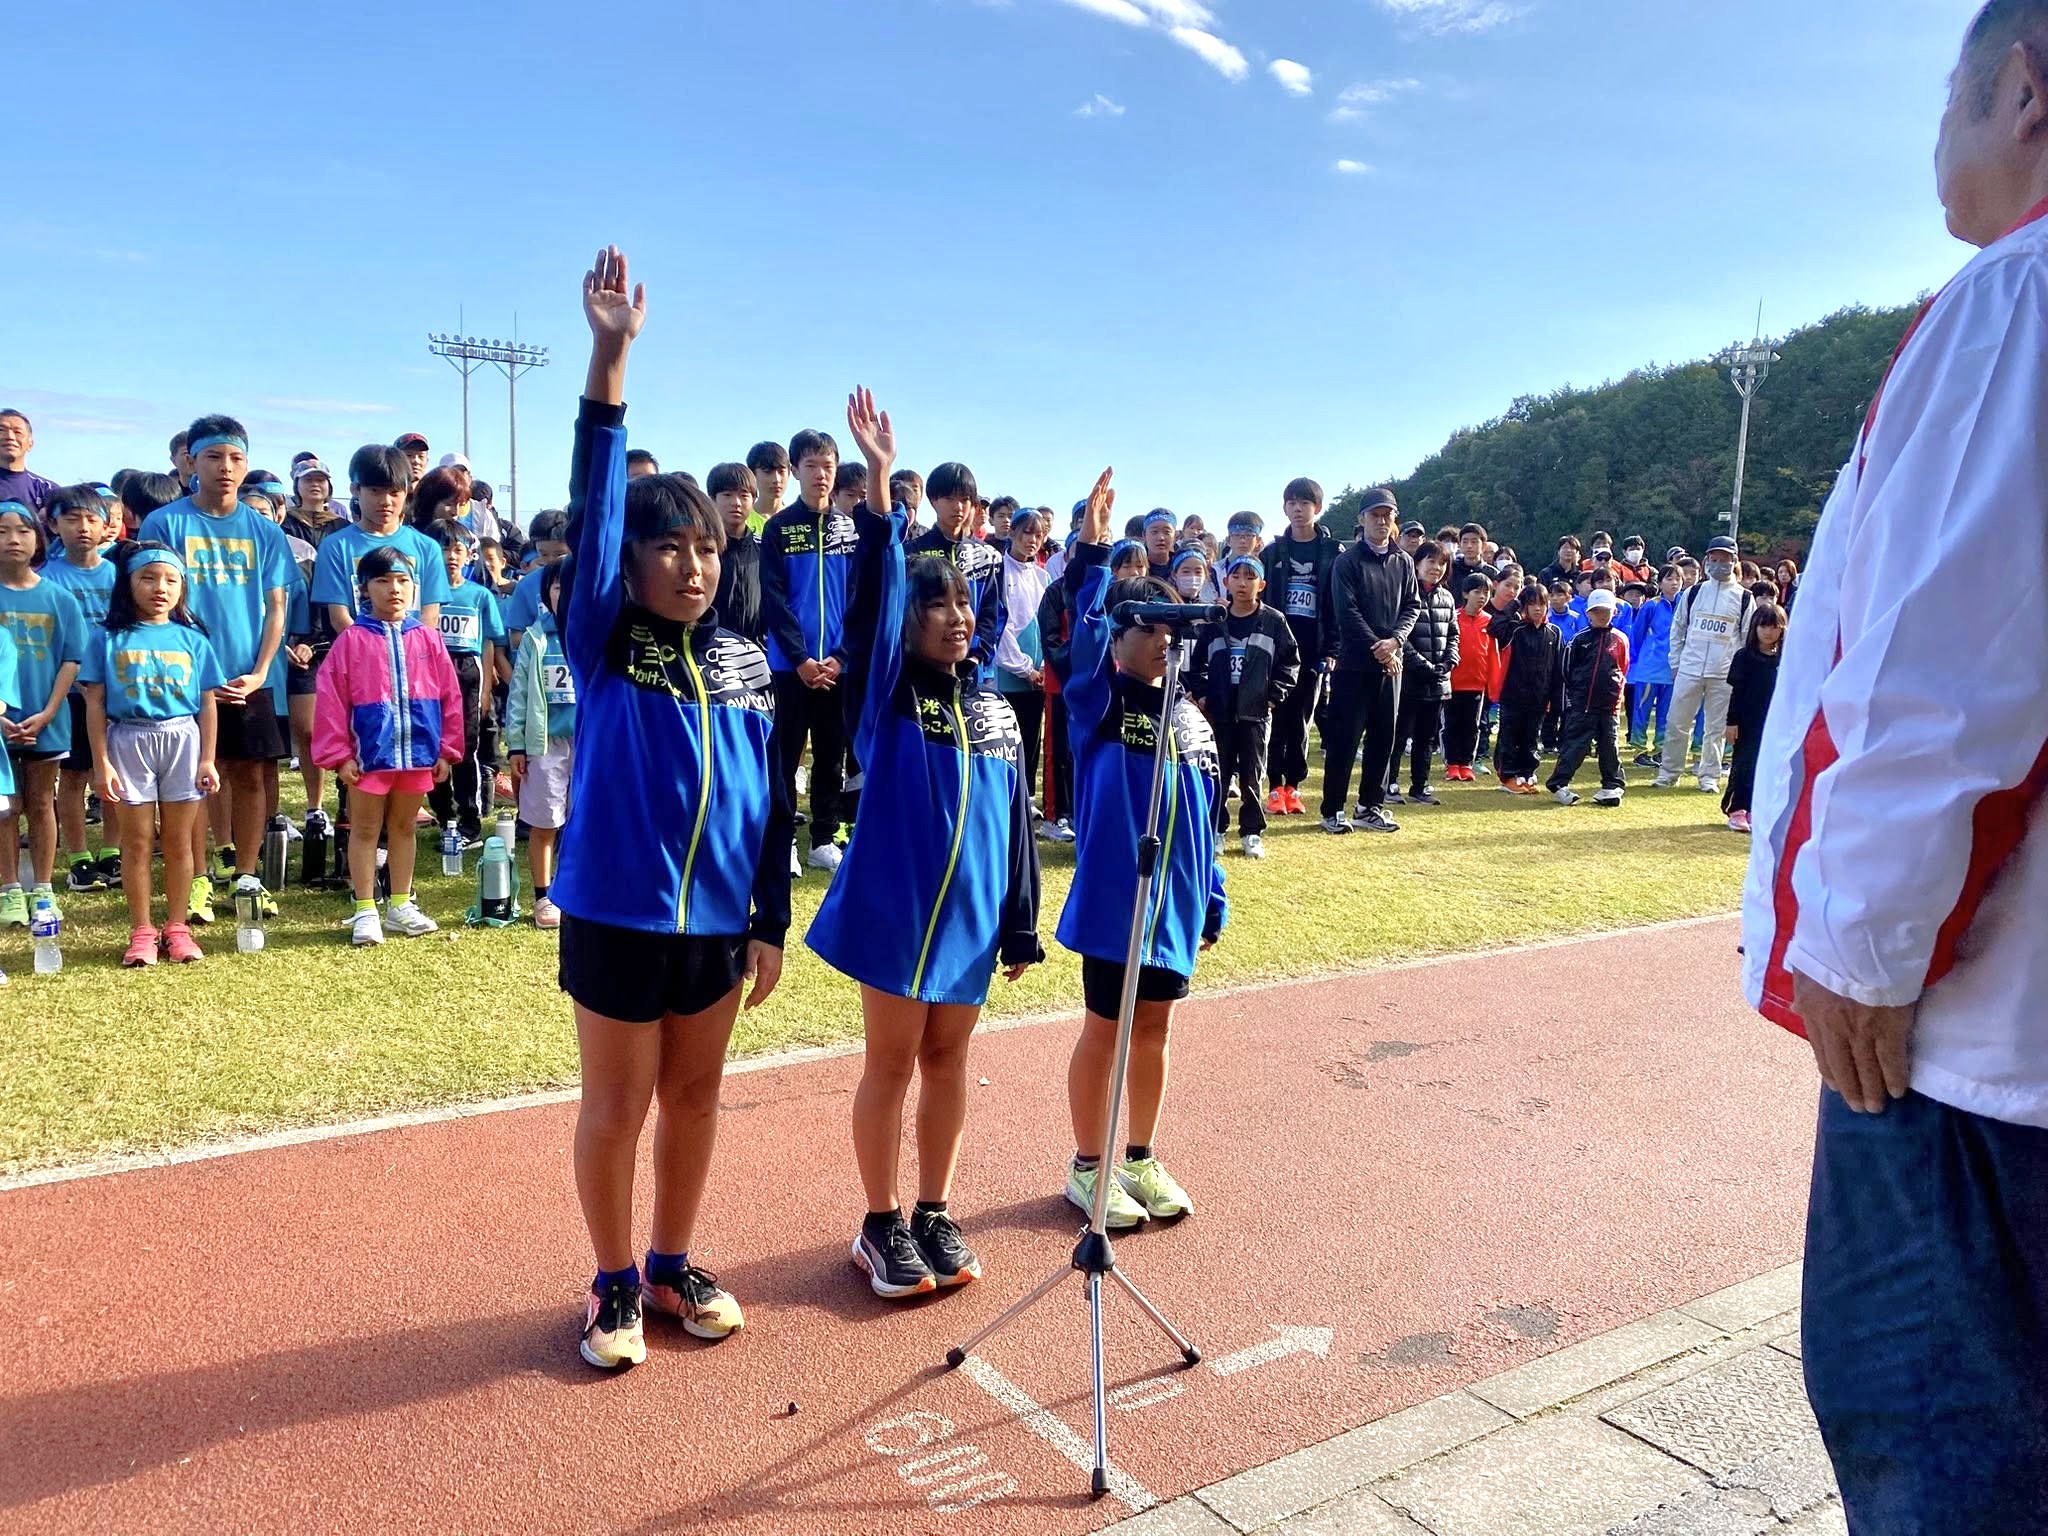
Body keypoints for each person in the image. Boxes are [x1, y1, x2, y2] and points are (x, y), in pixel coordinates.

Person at [1744, 13, 2048, 1522]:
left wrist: (1854, 948)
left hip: (1975, 1048)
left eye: (1947, 98)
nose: (1937, 136)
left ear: (2022, 90)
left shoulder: (2015, 298)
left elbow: (1949, 668)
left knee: (1933, 1448)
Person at [549, 248, 789, 1369]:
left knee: (696, 1099)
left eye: (706, 549)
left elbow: (769, 804)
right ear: (631, 561)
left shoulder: (744, 660)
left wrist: (768, 917)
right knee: (619, 1103)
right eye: (669, 549)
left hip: (719, 924)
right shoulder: (604, 637)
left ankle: (669, 1262)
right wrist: (610, 362)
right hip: (617, 912)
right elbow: (596, 505)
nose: (692, 568)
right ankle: (609, 1285)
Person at [808, 389, 1043, 1298]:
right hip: (897, 917)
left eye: (963, 604)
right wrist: (878, 485)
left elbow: (1014, 827)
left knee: (950, 1062)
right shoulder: (887, 697)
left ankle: (935, 1210)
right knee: (893, 1063)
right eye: (935, 605)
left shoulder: (994, 712)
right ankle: (880, 1222)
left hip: (972, 923)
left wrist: (1019, 921)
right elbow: (872, 600)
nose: (954, 616)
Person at [1056, 468, 1224, 1228]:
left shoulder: (1191, 719)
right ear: (1118, 639)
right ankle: (1088, 1166)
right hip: (1117, 904)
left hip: (1176, 907)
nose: (1162, 642)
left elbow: (1204, 819)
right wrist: (1094, 552)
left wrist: (1212, 898)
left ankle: (1141, 1157)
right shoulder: (1098, 702)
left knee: (1154, 1031)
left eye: (1170, 631)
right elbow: (1087, 632)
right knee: (1106, 1030)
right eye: (1146, 629)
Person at [139, 416, 297, 925]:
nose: (225, 467)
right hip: (182, 680)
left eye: (235, 458)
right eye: (213, 456)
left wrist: (261, 671)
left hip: (248, 677)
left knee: (249, 775)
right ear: (191, 462)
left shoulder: (265, 531)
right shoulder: (164, 524)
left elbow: (277, 607)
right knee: (193, 780)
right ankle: (200, 877)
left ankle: (247, 875)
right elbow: (154, 600)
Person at [81, 543, 224, 965]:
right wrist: (101, 762)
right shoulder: (108, 638)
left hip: (182, 739)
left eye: (171, 580)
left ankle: (177, 927)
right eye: (148, 578)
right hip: (129, 739)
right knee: (138, 842)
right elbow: (94, 703)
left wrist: (207, 758)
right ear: (128, 584)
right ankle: (142, 930)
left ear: (182, 588)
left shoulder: (192, 639)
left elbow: (208, 703)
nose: (160, 588)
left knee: (180, 842)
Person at [313, 546, 462, 946]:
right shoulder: (351, 641)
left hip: (418, 755)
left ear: (414, 587)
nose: (394, 589)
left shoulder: (428, 639)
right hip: (369, 758)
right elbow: (330, 702)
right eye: (382, 580)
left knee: (404, 827)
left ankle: (400, 904)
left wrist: (447, 749)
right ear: (364, 589)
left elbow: (450, 696)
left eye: (402, 580)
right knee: (364, 829)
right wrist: (340, 756)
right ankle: (365, 908)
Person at [761, 426, 858, 873]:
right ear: (796, 470)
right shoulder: (779, 528)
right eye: (812, 465)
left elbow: (860, 600)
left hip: (838, 668)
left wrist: (840, 656)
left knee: (832, 755)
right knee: (785, 757)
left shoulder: (850, 531)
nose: (821, 474)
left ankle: (823, 839)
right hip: (789, 668)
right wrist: (799, 658)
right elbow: (773, 599)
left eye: (828, 466)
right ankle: (783, 841)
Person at [0, 500, 86, 927]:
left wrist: (50, 711)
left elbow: (72, 659)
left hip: (46, 719)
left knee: (40, 802)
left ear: (38, 538)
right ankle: (9, 888)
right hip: (1, 723)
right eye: (2, 531)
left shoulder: (59, 598)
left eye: (22, 530)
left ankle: (44, 887)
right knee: (4, 807)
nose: (12, 540)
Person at [1319, 488, 1419, 835]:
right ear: (1361, 519)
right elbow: (1346, 612)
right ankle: (1333, 809)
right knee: (1345, 741)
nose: (1381, 521)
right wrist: (1379, 647)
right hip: (1353, 665)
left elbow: (1412, 606)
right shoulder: (1347, 562)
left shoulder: (1403, 561)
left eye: (1387, 515)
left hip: (1391, 666)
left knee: (1383, 739)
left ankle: (1369, 806)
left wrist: (1395, 642)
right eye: (1375, 515)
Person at [38, 486, 120, 893]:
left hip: (116, 691)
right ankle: (78, 858)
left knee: (114, 775)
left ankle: (112, 852)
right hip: (69, 694)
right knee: (72, 778)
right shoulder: (46, 578)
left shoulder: (120, 575)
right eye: (72, 519)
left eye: (91, 519)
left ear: (107, 525)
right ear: (54, 525)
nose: (83, 527)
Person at [1192, 555, 1299, 859]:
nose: (1242, 583)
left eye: (1250, 577)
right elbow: (1197, 665)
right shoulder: (1215, 621)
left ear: (1261, 584)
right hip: (1221, 712)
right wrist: (1204, 695)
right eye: (1236, 576)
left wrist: (1272, 696)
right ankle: (1216, 829)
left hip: (1256, 713)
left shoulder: (1274, 621)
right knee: (1219, 774)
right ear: (1226, 582)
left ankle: (1251, 831)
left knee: (1252, 775)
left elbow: (1290, 663)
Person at [1260, 477, 1341, 816]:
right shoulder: (1272, 553)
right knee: (1275, 718)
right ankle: (1274, 787)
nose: (1297, 509)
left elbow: (1339, 604)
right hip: (1276, 649)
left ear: (1317, 508)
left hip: (1313, 648)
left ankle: (1293, 787)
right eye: (1291, 502)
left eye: (1304, 503)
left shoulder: (1333, 553)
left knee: (1301, 721)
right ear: (1284, 508)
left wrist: (1333, 649)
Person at [506, 562, 575, 928]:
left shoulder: (595, 635)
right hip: (544, 744)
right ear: (547, 593)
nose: (566, 593)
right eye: (559, 587)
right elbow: (518, 695)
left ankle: (576, 892)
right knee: (545, 822)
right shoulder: (536, 639)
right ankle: (543, 896)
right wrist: (517, 746)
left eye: (574, 585)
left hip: (587, 744)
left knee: (582, 823)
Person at [425, 522, 503, 845]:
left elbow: (488, 643)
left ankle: (470, 821)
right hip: (430, 673)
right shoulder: (424, 594)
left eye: (457, 549)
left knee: (465, 747)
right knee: (433, 745)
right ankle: (445, 815)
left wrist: (485, 691)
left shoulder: (480, 595)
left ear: (469, 555)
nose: (451, 556)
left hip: (468, 673)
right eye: (444, 549)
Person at [1655, 535, 1751, 795]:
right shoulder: (1693, 592)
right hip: (1689, 668)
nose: (1719, 564)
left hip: (1723, 673)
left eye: (1725, 559)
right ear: (1707, 559)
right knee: (1677, 723)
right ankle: (1669, 773)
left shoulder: (1744, 598)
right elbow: (1678, 629)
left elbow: (1745, 639)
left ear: (1734, 560)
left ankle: (1708, 776)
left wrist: (1738, 673)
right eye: (1714, 558)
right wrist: (1676, 663)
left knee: (1715, 729)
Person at [1545, 588, 1630, 807]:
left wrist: (1617, 697)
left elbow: (1623, 669)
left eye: (1606, 611)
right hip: (1582, 705)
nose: (1602, 615)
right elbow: (1566, 670)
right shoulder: (1579, 640)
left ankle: (1612, 786)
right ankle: (1559, 784)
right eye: (1597, 611)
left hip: (1609, 706)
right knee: (1576, 745)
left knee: (1610, 746)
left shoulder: (1620, 639)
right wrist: (1576, 696)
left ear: (1614, 612)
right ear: (1588, 613)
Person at [994, 509, 1052, 814]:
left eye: (1038, 535)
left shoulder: (1043, 576)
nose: (1032, 540)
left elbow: (1048, 624)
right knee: (1008, 736)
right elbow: (1001, 626)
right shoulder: (998, 572)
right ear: (1012, 532)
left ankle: (1027, 798)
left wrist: (1041, 667)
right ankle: (1007, 795)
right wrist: (1022, 667)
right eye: (1027, 532)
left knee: (1031, 737)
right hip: (1010, 674)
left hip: (1038, 675)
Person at [1391, 540, 1457, 806]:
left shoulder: (1447, 597)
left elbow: (1453, 635)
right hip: (1408, 678)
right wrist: (1422, 665)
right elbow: (1399, 636)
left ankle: (1420, 786)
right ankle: (1389, 784)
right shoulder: (1404, 594)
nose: (1436, 568)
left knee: (1426, 738)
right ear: (1417, 563)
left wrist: (1449, 661)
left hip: (1438, 682)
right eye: (1431, 561)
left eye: (1442, 563)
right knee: (1398, 736)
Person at [1488, 584, 1563, 794]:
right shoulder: (1515, 629)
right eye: (1532, 604)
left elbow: (1557, 668)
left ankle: (1527, 773)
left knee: (1531, 737)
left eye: (1542, 604)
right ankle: (1508, 776)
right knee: (1509, 736)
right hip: (1513, 694)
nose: (1537, 609)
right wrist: (1515, 604)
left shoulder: (1554, 632)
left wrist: (1556, 698)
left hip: (1540, 696)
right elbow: (1494, 627)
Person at [1719, 602, 1782, 834]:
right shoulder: (1744, 657)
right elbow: (1737, 693)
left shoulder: (1786, 659)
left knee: (1768, 767)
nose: (1768, 632)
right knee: (1744, 765)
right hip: (1747, 722)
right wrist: (1731, 723)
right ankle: (1737, 808)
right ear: (1755, 627)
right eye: (1763, 626)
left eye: (1774, 627)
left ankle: (1757, 809)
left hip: (1775, 722)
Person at [1444, 573, 1497, 781]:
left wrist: (1492, 683)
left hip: (1477, 683)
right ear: (1466, 594)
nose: (1482, 597)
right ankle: (1452, 763)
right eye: (1477, 592)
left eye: (1486, 592)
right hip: (1453, 683)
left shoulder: (1490, 622)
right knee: (1451, 725)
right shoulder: (1454, 618)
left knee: (1472, 726)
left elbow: (1492, 654)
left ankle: (1466, 763)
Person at [708, 462, 763, 643]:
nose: (736, 503)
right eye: (727, 495)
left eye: (744, 495)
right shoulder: (703, 551)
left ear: (753, 500)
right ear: (712, 499)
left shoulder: (765, 549)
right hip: (711, 647)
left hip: (756, 649)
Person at [0, 410, 60, 512]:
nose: (10, 437)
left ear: (30, 444)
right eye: (1, 431)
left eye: (18, 432)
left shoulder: (47, 489)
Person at [745, 440, 792, 536]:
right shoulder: (742, 521)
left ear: (789, 473)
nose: (776, 479)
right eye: (767, 472)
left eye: (781, 471)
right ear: (752, 474)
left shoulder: (799, 520)